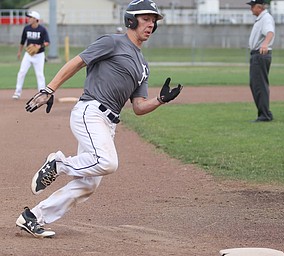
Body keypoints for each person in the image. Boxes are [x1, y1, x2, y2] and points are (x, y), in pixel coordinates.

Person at [16, 0, 182, 238]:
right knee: (108, 162)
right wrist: (49, 89)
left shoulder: (143, 66)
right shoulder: (112, 42)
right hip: (90, 111)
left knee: (88, 183)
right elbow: (77, 62)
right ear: (131, 20)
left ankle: (32, 217)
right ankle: (58, 164)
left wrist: (160, 100)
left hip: (108, 123)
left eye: (153, 21)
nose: (150, 25)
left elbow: (138, 107)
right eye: (146, 19)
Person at [247, 0, 275, 122]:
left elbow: (270, 32)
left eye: (252, 6)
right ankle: (266, 112)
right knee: (257, 85)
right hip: (257, 55)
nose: (251, 9)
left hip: (260, 54)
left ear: (259, 7)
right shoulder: (261, 18)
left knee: (259, 85)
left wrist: (265, 43)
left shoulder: (266, 18)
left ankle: (264, 115)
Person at [12, 10, 50, 99]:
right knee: (21, 72)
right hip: (28, 55)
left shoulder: (42, 29)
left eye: (30, 18)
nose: (28, 19)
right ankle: (17, 92)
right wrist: (19, 52)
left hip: (39, 55)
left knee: (40, 74)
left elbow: (47, 42)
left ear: (36, 19)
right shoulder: (26, 28)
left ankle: (41, 94)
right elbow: (22, 41)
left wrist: (39, 46)